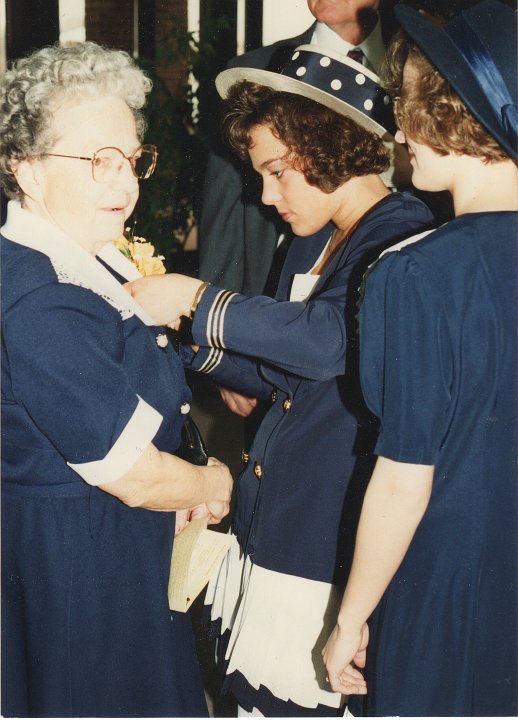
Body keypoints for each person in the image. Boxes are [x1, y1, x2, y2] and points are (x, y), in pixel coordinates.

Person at [127, 46, 434, 716]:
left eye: (276, 172)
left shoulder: (399, 235)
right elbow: (277, 367)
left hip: (325, 541)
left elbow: (325, 343)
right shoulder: (311, 239)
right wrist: (183, 343)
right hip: (276, 525)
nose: (265, 195)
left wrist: (195, 301)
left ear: (326, 146)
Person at [0, 41, 233, 717]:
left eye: (132, 160)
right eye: (97, 160)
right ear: (26, 169)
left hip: (109, 555)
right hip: (79, 574)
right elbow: (135, 477)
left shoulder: (83, 261)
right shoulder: (39, 297)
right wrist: (214, 483)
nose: (126, 183)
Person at [322, 1, 518, 715]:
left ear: (451, 117)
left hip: (451, 584)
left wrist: (349, 619)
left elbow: (404, 479)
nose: (399, 130)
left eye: (407, 108)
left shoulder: (415, 273)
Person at [199, 0, 397, 297]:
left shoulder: (418, 66)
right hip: (271, 293)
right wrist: (211, 311)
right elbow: (225, 214)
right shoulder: (254, 70)